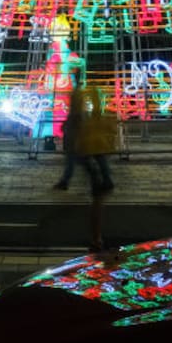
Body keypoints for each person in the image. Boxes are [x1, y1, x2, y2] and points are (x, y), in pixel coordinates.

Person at [71, 75, 115, 251]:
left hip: (91, 153)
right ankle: (96, 239)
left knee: (98, 198)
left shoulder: (85, 116)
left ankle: (96, 238)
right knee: (98, 199)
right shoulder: (94, 118)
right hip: (94, 153)